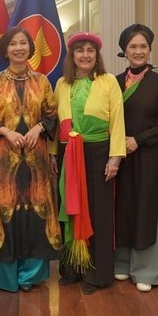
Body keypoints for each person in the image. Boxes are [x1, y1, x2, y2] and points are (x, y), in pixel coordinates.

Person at [0, 27, 61, 293]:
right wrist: (5, 131)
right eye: (12, 44)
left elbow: (52, 114)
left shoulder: (43, 81)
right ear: (5, 49)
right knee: (5, 213)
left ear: (30, 48)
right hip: (4, 158)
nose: (18, 48)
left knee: (37, 213)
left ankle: (30, 277)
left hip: (36, 160)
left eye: (23, 43)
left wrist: (38, 129)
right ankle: (6, 277)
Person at [54, 32, 125, 295]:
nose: (85, 55)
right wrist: (54, 154)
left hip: (98, 152)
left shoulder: (108, 82)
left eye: (90, 51)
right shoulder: (62, 83)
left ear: (97, 56)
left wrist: (115, 157)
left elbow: (118, 121)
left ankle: (96, 274)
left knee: (98, 212)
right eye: (80, 50)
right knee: (69, 208)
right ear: (72, 56)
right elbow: (57, 121)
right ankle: (72, 268)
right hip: (68, 152)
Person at [113, 24, 158, 293]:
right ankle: (122, 262)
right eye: (133, 47)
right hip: (118, 156)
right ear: (124, 51)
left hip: (148, 154)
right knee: (122, 206)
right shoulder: (113, 82)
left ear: (150, 49)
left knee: (146, 209)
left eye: (143, 46)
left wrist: (138, 140)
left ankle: (147, 269)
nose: (138, 51)